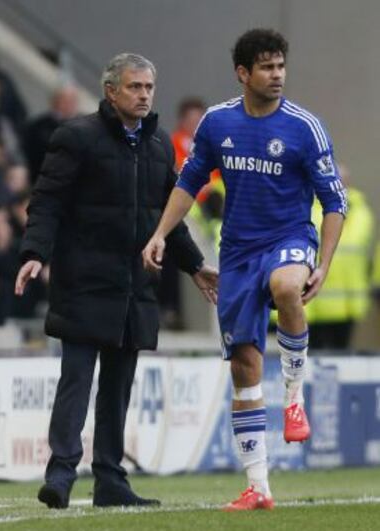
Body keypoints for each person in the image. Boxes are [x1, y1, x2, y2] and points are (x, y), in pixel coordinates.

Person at [143, 29, 346, 511]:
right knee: (244, 370)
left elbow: (334, 203)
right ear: (243, 73)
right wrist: (158, 234)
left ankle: (294, 396)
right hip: (236, 255)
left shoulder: (305, 127)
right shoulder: (216, 123)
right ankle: (259, 487)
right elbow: (189, 182)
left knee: (286, 286)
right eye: (267, 68)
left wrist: (325, 264)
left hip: (289, 240)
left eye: (281, 67)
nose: (277, 76)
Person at [15, 53, 217, 509]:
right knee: (76, 380)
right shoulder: (76, 137)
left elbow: (170, 219)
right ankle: (61, 476)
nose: (144, 95)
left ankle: (110, 479)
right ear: (111, 91)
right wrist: (33, 253)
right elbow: (47, 202)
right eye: (135, 87)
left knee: (118, 388)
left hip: (135, 287)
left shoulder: (161, 145)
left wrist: (194, 265)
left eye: (149, 87)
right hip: (84, 282)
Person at [306, 164, 374, 349]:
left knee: (341, 355)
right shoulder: (309, 209)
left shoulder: (360, 212)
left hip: (347, 304)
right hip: (314, 303)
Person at [24, 85, 80, 183]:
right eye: (66, 101)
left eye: (73, 101)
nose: (70, 105)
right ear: (55, 101)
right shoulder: (40, 126)